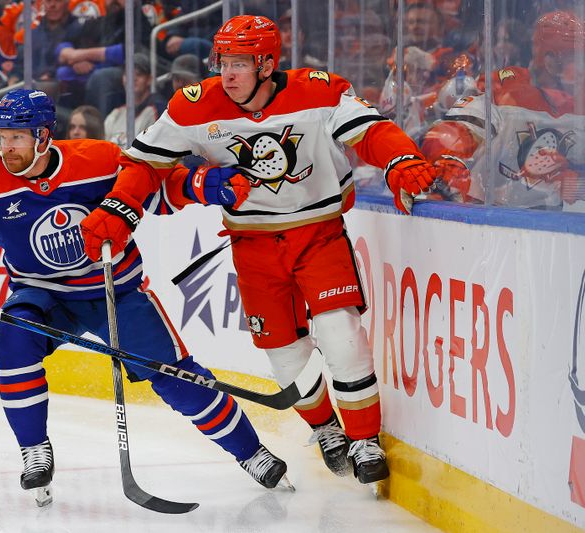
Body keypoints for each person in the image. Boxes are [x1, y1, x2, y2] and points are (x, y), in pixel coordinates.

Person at [79, 14, 438, 486]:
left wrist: (400, 158)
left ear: (268, 64)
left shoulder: (318, 90)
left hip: (318, 234)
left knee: (341, 336)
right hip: (252, 246)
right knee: (286, 356)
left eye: (240, 63)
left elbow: (370, 131)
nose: (227, 74)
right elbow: (144, 165)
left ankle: (365, 437)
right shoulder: (194, 106)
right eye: (222, 61)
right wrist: (118, 209)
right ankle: (325, 427)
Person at [0, 88, 291, 504]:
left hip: (116, 290)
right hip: (42, 297)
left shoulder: (97, 160)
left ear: (43, 136)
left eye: (16, 137)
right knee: (11, 344)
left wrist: (204, 183)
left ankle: (251, 453)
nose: (6, 148)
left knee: (176, 378)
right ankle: (34, 450)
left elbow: (157, 189)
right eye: (0, 136)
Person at [422, 10, 585, 210]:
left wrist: (576, 182)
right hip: (493, 219)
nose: (581, 69)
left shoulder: (579, 103)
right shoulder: (505, 91)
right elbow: (449, 136)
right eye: (575, 60)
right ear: (550, 61)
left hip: (553, 224)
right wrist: (449, 174)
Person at [102, 53, 165, 148]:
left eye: (139, 75)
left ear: (149, 80)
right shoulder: (116, 114)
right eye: (128, 74)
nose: (133, 78)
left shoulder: (157, 111)